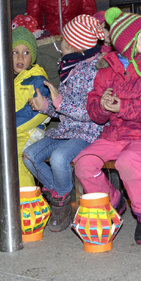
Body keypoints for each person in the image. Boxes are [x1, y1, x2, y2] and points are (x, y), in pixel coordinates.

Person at [73, 7, 141, 244]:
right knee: (83, 163)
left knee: (127, 162)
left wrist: (121, 106)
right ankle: (112, 201)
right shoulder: (106, 70)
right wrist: (102, 106)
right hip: (113, 135)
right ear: (128, 42)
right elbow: (95, 112)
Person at [23, 15, 105, 231]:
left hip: (87, 132)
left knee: (59, 158)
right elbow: (63, 110)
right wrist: (45, 106)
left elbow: (90, 113)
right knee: (29, 155)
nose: (60, 46)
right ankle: (62, 193)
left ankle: (60, 201)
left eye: (64, 42)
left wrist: (58, 102)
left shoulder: (93, 71)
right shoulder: (71, 68)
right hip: (67, 130)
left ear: (73, 45)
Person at [0, 27, 49, 189]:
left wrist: (3, 131)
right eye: (15, 52)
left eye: (26, 52)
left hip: (28, 133)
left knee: (16, 160)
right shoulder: (2, 80)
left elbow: (35, 113)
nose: (20, 57)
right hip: (1, 134)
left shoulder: (38, 80)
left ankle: (26, 202)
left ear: (33, 56)